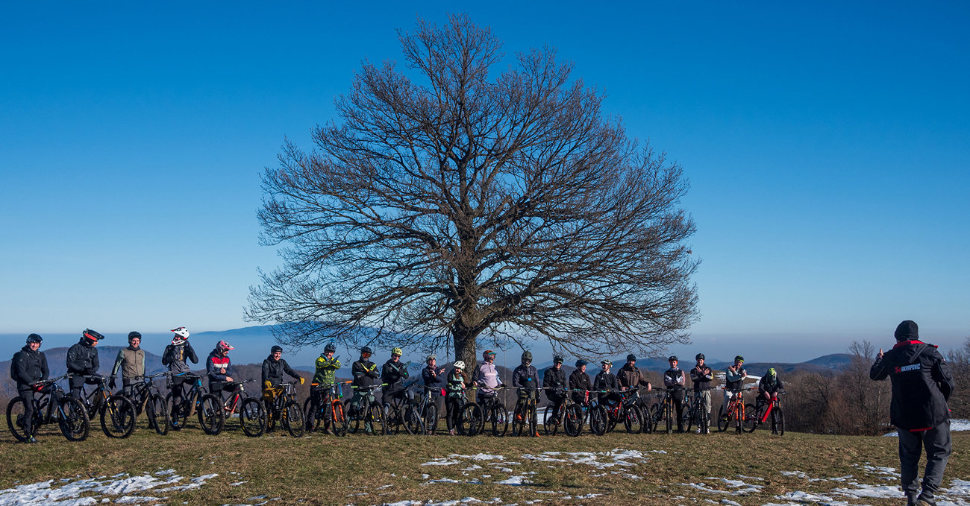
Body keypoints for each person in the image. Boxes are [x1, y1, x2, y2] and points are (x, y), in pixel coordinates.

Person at [870, 320, 955, 506]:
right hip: (934, 414)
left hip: (905, 416)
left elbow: (875, 375)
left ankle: (911, 498)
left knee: (908, 457)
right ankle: (927, 496)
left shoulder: (891, 357)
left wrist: (879, 358)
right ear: (916, 335)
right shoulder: (930, 353)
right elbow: (949, 383)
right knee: (939, 452)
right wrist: (942, 403)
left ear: (897, 336)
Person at [11, 334, 49, 443]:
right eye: (33, 343)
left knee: (57, 391)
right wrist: (31, 383)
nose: (34, 345)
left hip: (37, 383)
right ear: (28, 342)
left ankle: (50, 415)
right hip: (25, 385)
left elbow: (46, 370)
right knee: (30, 408)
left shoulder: (41, 355)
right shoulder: (21, 355)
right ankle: (28, 435)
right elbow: (21, 373)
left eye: (37, 343)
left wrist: (43, 381)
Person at [262, 345, 304, 418]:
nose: (278, 355)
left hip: (279, 384)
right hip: (269, 385)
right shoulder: (267, 362)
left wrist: (298, 377)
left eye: (279, 354)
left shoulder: (282, 362)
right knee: (270, 403)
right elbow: (265, 372)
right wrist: (266, 380)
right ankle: (268, 421)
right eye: (276, 353)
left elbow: (289, 370)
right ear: (272, 353)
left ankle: (283, 417)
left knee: (284, 399)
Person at [162, 326, 198, 408]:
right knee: (177, 399)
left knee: (198, 381)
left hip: (185, 372)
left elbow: (195, 361)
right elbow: (164, 362)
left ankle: (193, 403)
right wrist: (172, 353)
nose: (175, 337)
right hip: (175, 374)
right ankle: (174, 419)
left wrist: (190, 348)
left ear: (183, 337)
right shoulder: (169, 347)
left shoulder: (186, 347)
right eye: (175, 335)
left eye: (177, 336)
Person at [310, 342, 341, 433]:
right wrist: (330, 363)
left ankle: (327, 428)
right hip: (317, 386)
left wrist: (331, 362)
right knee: (314, 406)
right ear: (325, 351)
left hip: (328, 386)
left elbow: (338, 365)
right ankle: (310, 426)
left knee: (328, 407)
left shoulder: (334, 360)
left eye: (331, 352)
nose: (329, 353)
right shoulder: (319, 359)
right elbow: (320, 365)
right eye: (328, 351)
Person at [67, 329, 103, 398]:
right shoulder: (75, 348)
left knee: (103, 381)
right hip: (76, 375)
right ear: (89, 341)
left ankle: (98, 403)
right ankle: (77, 406)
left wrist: (92, 370)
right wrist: (82, 369)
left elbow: (96, 364)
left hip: (88, 374)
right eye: (95, 341)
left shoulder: (94, 350)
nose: (97, 343)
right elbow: (69, 363)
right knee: (76, 397)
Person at [512, 351, 541, 435]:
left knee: (534, 409)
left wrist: (538, 389)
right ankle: (518, 414)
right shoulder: (518, 370)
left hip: (532, 390)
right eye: (524, 360)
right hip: (522, 390)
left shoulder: (534, 369)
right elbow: (515, 382)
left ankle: (534, 429)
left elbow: (537, 381)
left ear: (530, 360)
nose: (526, 362)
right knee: (522, 400)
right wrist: (522, 387)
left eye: (528, 360)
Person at [110, 331, 146, 398]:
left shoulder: (142, 352)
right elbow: (117, 365)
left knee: (146, 397)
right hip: (128, 379)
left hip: (140, 378)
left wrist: (144, 377)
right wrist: (113, 377)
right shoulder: (123, 352)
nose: (136, 342)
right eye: (133, 340)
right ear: (129, 341)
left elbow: (143, 365)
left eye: (138, 340)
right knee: (129, 400)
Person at [350, 346, 380, 417]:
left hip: (369, 389)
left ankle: (368, 427)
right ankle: (347, 424)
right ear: (361, 354)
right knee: (353, 408)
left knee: (370, 409)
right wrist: (370, 373)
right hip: (359, 389)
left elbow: (377, 374)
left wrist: (369, 372)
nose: (366, 356)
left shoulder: (372, 364)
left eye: (368, 355)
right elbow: (356, 374)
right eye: (364, 354)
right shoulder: (356, 363)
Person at [689, 353, 714, 434]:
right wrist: (702, 374)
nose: (700, 361)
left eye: (701, 360)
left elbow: (711, 378)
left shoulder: (708, 369)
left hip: (706, 390)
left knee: (707, 408)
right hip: (697, 390)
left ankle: (707, 427)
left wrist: (703, 375)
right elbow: (694, 379)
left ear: (703, 360)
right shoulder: (693, 370)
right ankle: (699, 427)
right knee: (698, 409)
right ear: (697, 360)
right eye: (699, 360)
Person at [756, 368, 784, 434]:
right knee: (759, 405)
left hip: (773, 396)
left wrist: (777, 391)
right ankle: (757, 419)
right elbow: (760, 387)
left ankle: (775, 429)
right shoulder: (763, 379)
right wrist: (765, 392)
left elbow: (781, 387)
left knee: (774, 411)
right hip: (764, 395)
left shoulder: (777, 379)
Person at [663, 355, 687, 432]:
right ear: (669, 363)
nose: (672, 363)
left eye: (674, 362)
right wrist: (676, 382)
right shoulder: (667, 372)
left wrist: (673, 382)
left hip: (678, 393)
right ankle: (669, 427)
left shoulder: (681, 371)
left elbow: (683, 383)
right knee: (669, 411)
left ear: (676, 363)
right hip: (670, 393)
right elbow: (666, 383)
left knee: (679, 411)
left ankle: (680, 428)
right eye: (671, 362)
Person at [445, 361, 468, 435]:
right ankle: (451, 429)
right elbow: (450, 381)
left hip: (459, 396)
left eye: (458, 368)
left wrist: (472, 384)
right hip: (450, 395)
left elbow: (466, 384)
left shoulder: (463, 375)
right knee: (450, 413)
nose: (456, 369)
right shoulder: (451, 373)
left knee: (458, 413)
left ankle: (458, 428)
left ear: (461, 369)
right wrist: (459, 383)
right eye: (455, 368)